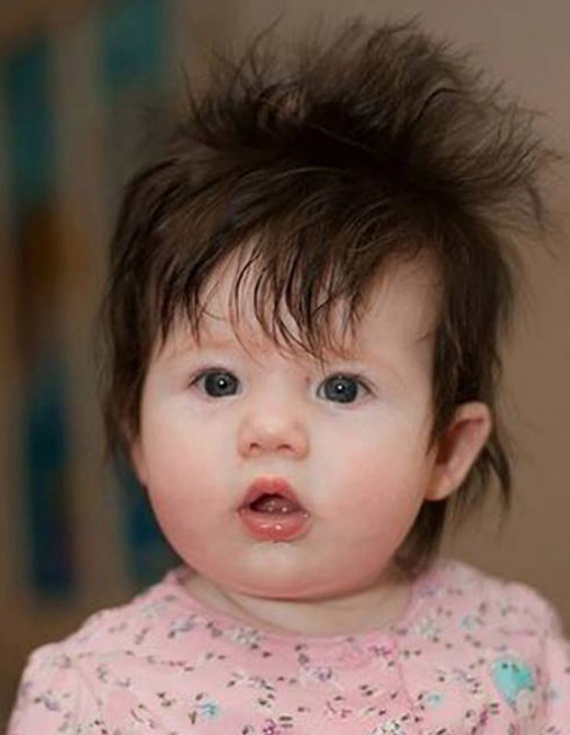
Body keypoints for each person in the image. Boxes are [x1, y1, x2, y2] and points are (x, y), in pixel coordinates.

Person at [7, 19, 570, 734]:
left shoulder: (509, 643)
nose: (271, 430)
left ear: (446, 450)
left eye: (341, 387)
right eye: (218, 382)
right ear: (136, 433)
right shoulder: (95, 689)